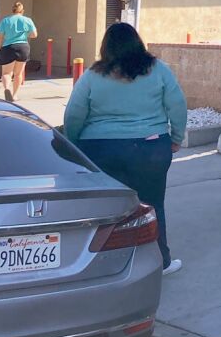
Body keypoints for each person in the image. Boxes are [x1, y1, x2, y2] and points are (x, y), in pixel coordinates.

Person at [63, 22, 188, 276]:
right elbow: (177, 105)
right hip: (150, 148)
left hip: (101, 149)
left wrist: (75, 145)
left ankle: (103, 264)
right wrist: (175, 137)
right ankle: (160, 261)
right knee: (152, 205)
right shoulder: (159, 71)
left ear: (105, 47)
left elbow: (74, 114)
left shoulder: (92, 76)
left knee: (107, 210)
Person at [0, 1, 37, 103]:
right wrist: (25, 34)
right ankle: (15, 95)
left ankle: (6, 88)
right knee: (18, 74)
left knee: (6, 73)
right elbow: (34, 35)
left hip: (8, 47)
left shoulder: (5, 21)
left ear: (12, 10)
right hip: (23, 47)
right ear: (22, 11)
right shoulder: (27, 20)